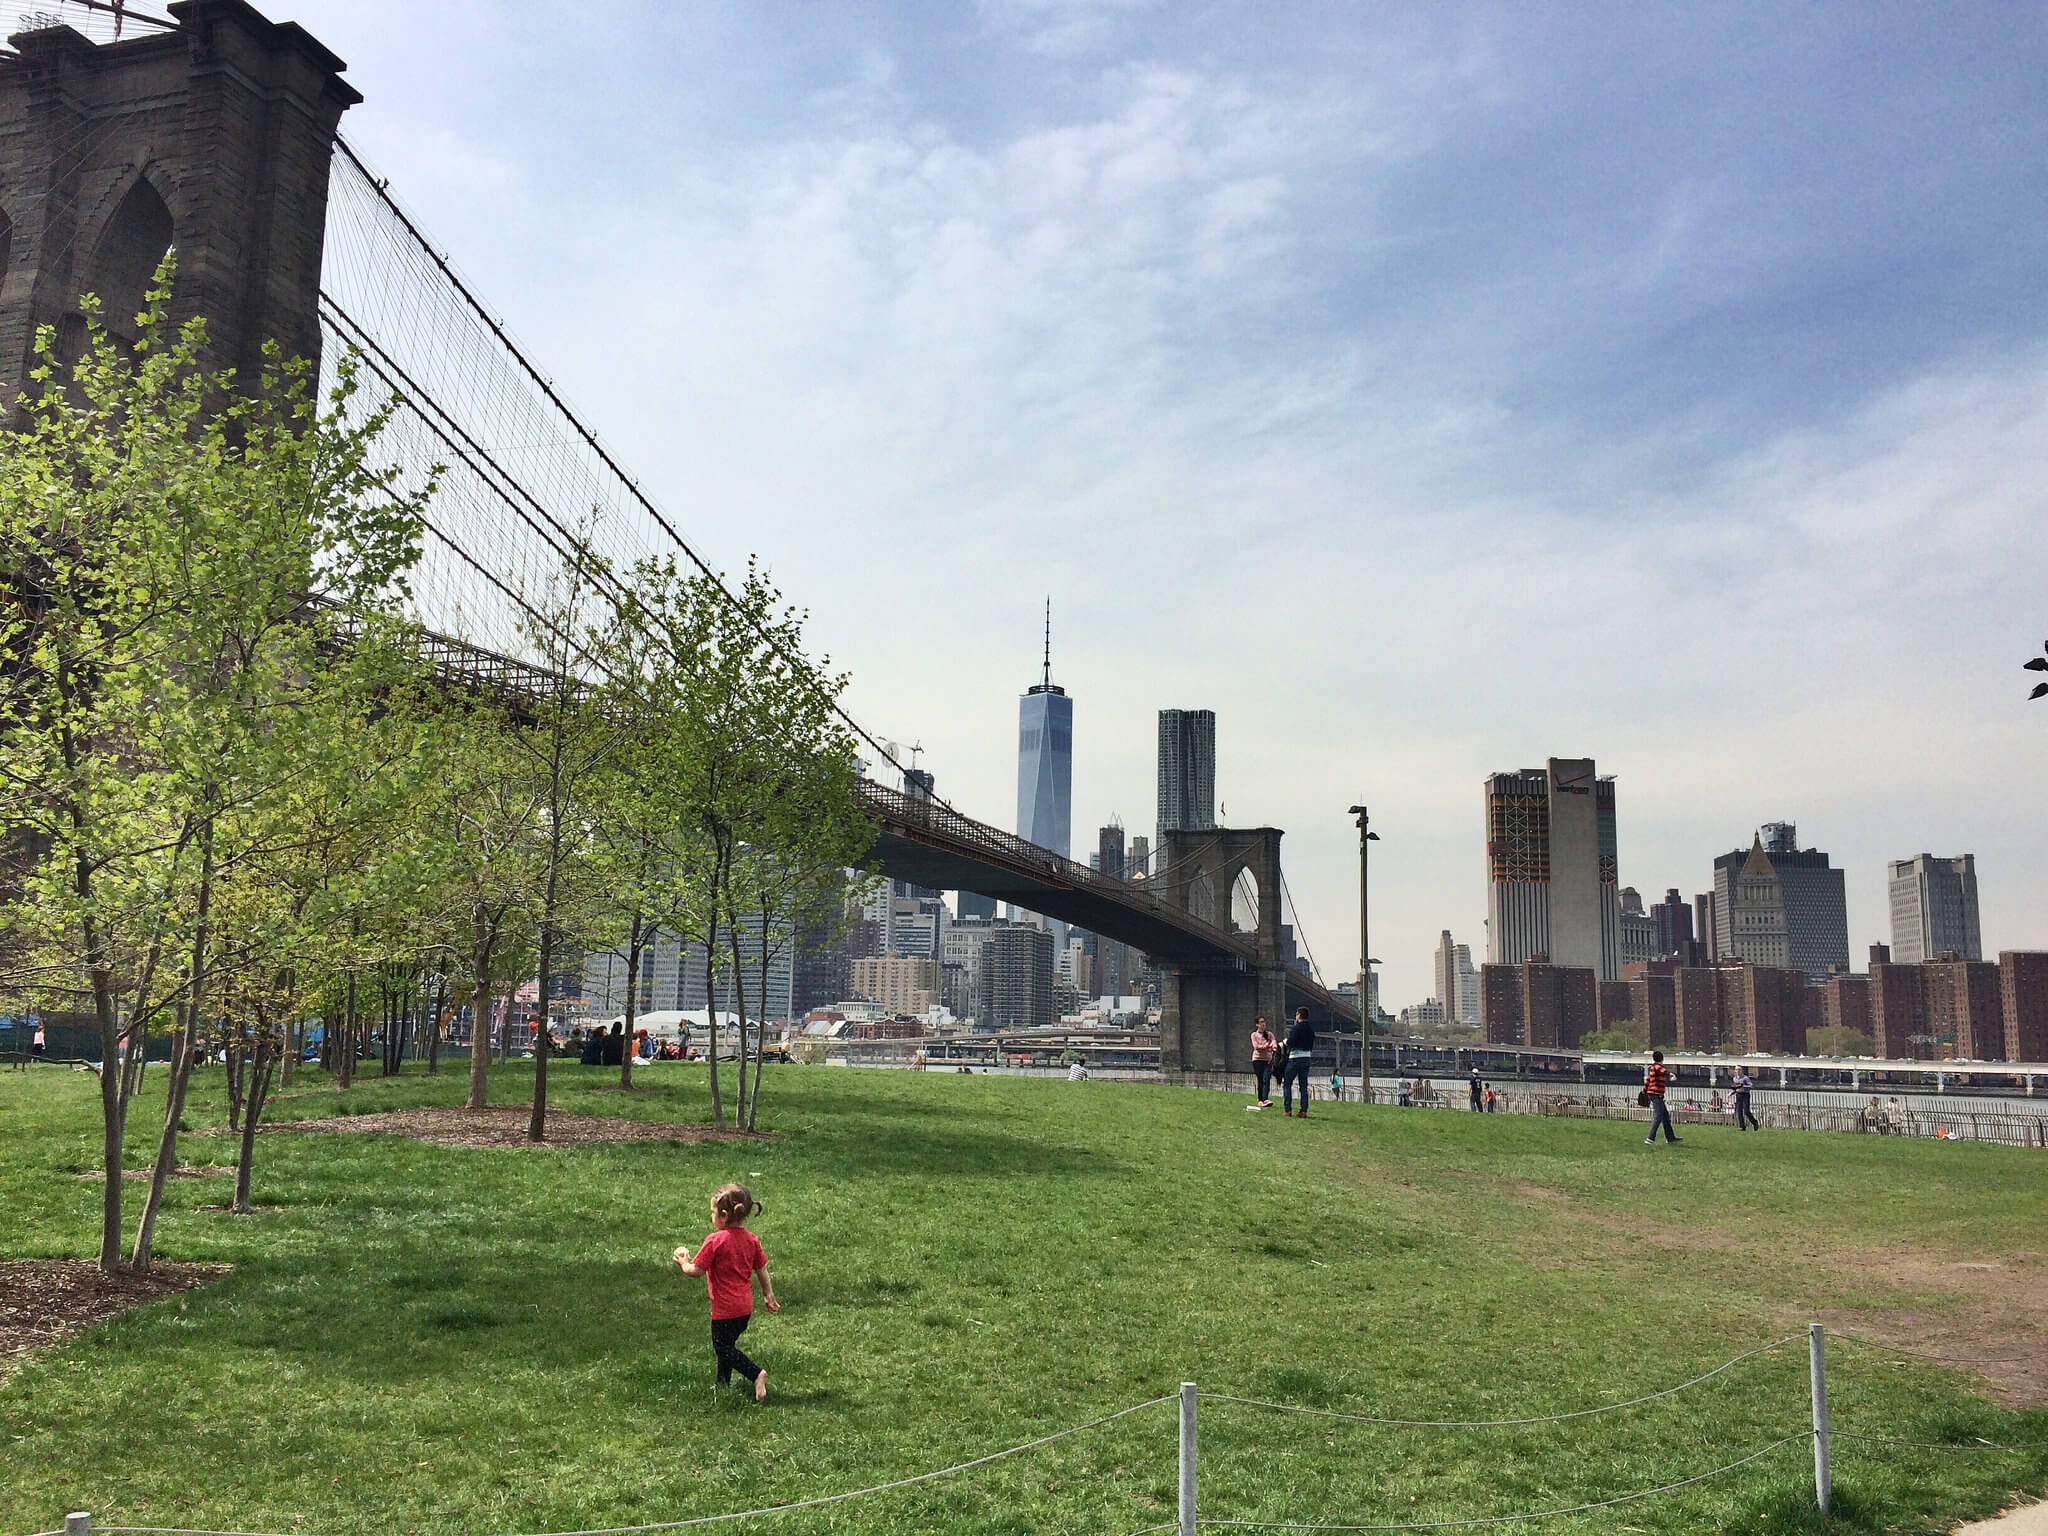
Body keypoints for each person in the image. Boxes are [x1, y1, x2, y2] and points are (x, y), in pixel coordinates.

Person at [675, 1183, 779, 1400]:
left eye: (712, 1212)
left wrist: (683, 1262)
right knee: (727, 1345)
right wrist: (768, 1294)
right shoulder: (751, 1240)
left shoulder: (715, 1241)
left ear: (723, 1215)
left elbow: (696, 1271)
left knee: (722, 1348)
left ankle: (756, 1374)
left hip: (724, 1310)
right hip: (744, 1309)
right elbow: (761, 1268)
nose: (710, 1215)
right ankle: (722, 1385)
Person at [1281, 1007, 1316, 1118]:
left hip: (1295, 1058)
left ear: (1299, 1015)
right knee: (1303, 1086)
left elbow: (1291, 1042)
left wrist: (1285, 1041)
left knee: (1287, 1083)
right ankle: (1303, 1111)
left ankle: (1288, 1110)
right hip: (1306, 1058)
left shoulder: (1296, 1028)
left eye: (1296, 1014)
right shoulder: (1311, 1029)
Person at [1642, 1049, 1680, 1145]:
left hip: (1654, 1095)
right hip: (1656, 1095)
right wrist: (1670, 1074)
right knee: (1658, 1116)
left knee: (1665, 1117)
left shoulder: (1652, 1068)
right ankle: (1650, 1138)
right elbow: (1662, 1070)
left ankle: (1670, 1138)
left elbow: (1647, 1081)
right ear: (1662, 1059)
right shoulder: (1657, 1067)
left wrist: (1645, 1091)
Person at [1249, 1017, 1277, 1108]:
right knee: (1260, 1080)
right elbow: (1256, 1047)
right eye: (1261, 1022)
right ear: (1257, 1024)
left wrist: (1274, 1047)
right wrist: (1267, 1045)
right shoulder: (1254, 1035)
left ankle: (1265, 1099)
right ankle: (1260, 1100)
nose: (1263, 1024)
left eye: (1264, 1022)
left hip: (1267, 1060)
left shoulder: (1269, 1034)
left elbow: (1274, 1042)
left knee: (1267, 1079)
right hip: (1257, 1060)